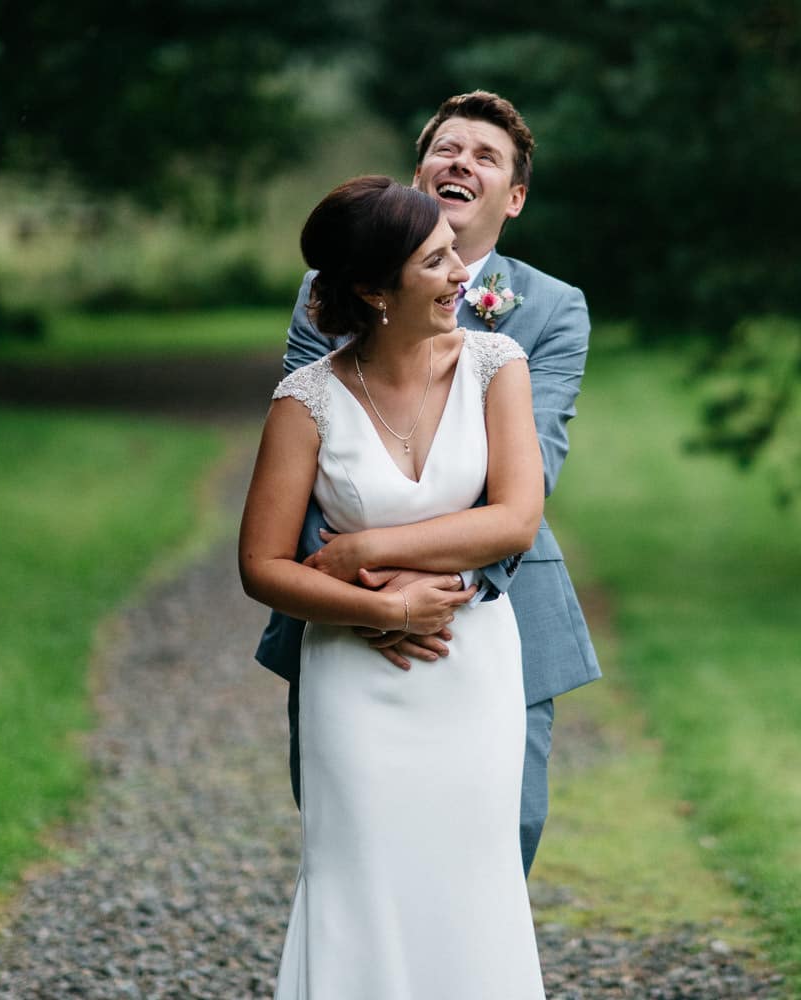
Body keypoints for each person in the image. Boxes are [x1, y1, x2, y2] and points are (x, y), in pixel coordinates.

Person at [254, 91, 602, 876]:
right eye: (447, 148)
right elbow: (307, 459)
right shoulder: (332, 286)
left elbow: (531, 475)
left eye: (486, 156)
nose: (461, 163)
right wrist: (368, 603)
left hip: (494, 609)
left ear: (513, 199)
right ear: (418, 176)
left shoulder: (549, 311)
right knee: (354, 860)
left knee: (498, 848)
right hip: (350, 625)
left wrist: (391, 568)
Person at [240, 176, 546, 996]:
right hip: (355, 679)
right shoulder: (305, 402)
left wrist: (368, 547)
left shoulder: (495, 365)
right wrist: (384, 606)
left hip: (471, 665)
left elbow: (516, 517)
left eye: (455, 257)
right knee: (360, 882)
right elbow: (261, 567)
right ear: (375, 291)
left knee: (473, 876)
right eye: (436, 264)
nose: (461, 278)